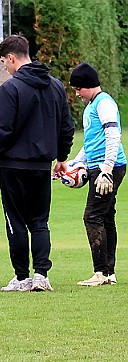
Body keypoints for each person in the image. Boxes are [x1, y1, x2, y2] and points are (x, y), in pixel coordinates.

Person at [0, 34, 74, 292]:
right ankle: (41, 275)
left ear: (11, 58)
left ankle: (22, 277)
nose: (6, 68)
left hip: (13, 166)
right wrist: (62, 158)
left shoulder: (11, 88)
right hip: (42, 166)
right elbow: (67, 126)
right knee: (40, 221)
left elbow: (1, 130)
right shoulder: (55, 86)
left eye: (4, 63)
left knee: (16, 221)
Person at [68, 62, 126, 286]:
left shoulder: (104, 104)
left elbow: (113, 135)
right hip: (99, 166)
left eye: (77, 89)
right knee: (106, 216)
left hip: (107, 168)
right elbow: (92, 142)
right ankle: (109, 273)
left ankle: (100, 272)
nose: (77, 93)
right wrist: (74, 163)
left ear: (88, 85)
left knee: (91, 216)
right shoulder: (93, 105)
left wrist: (107, 170)